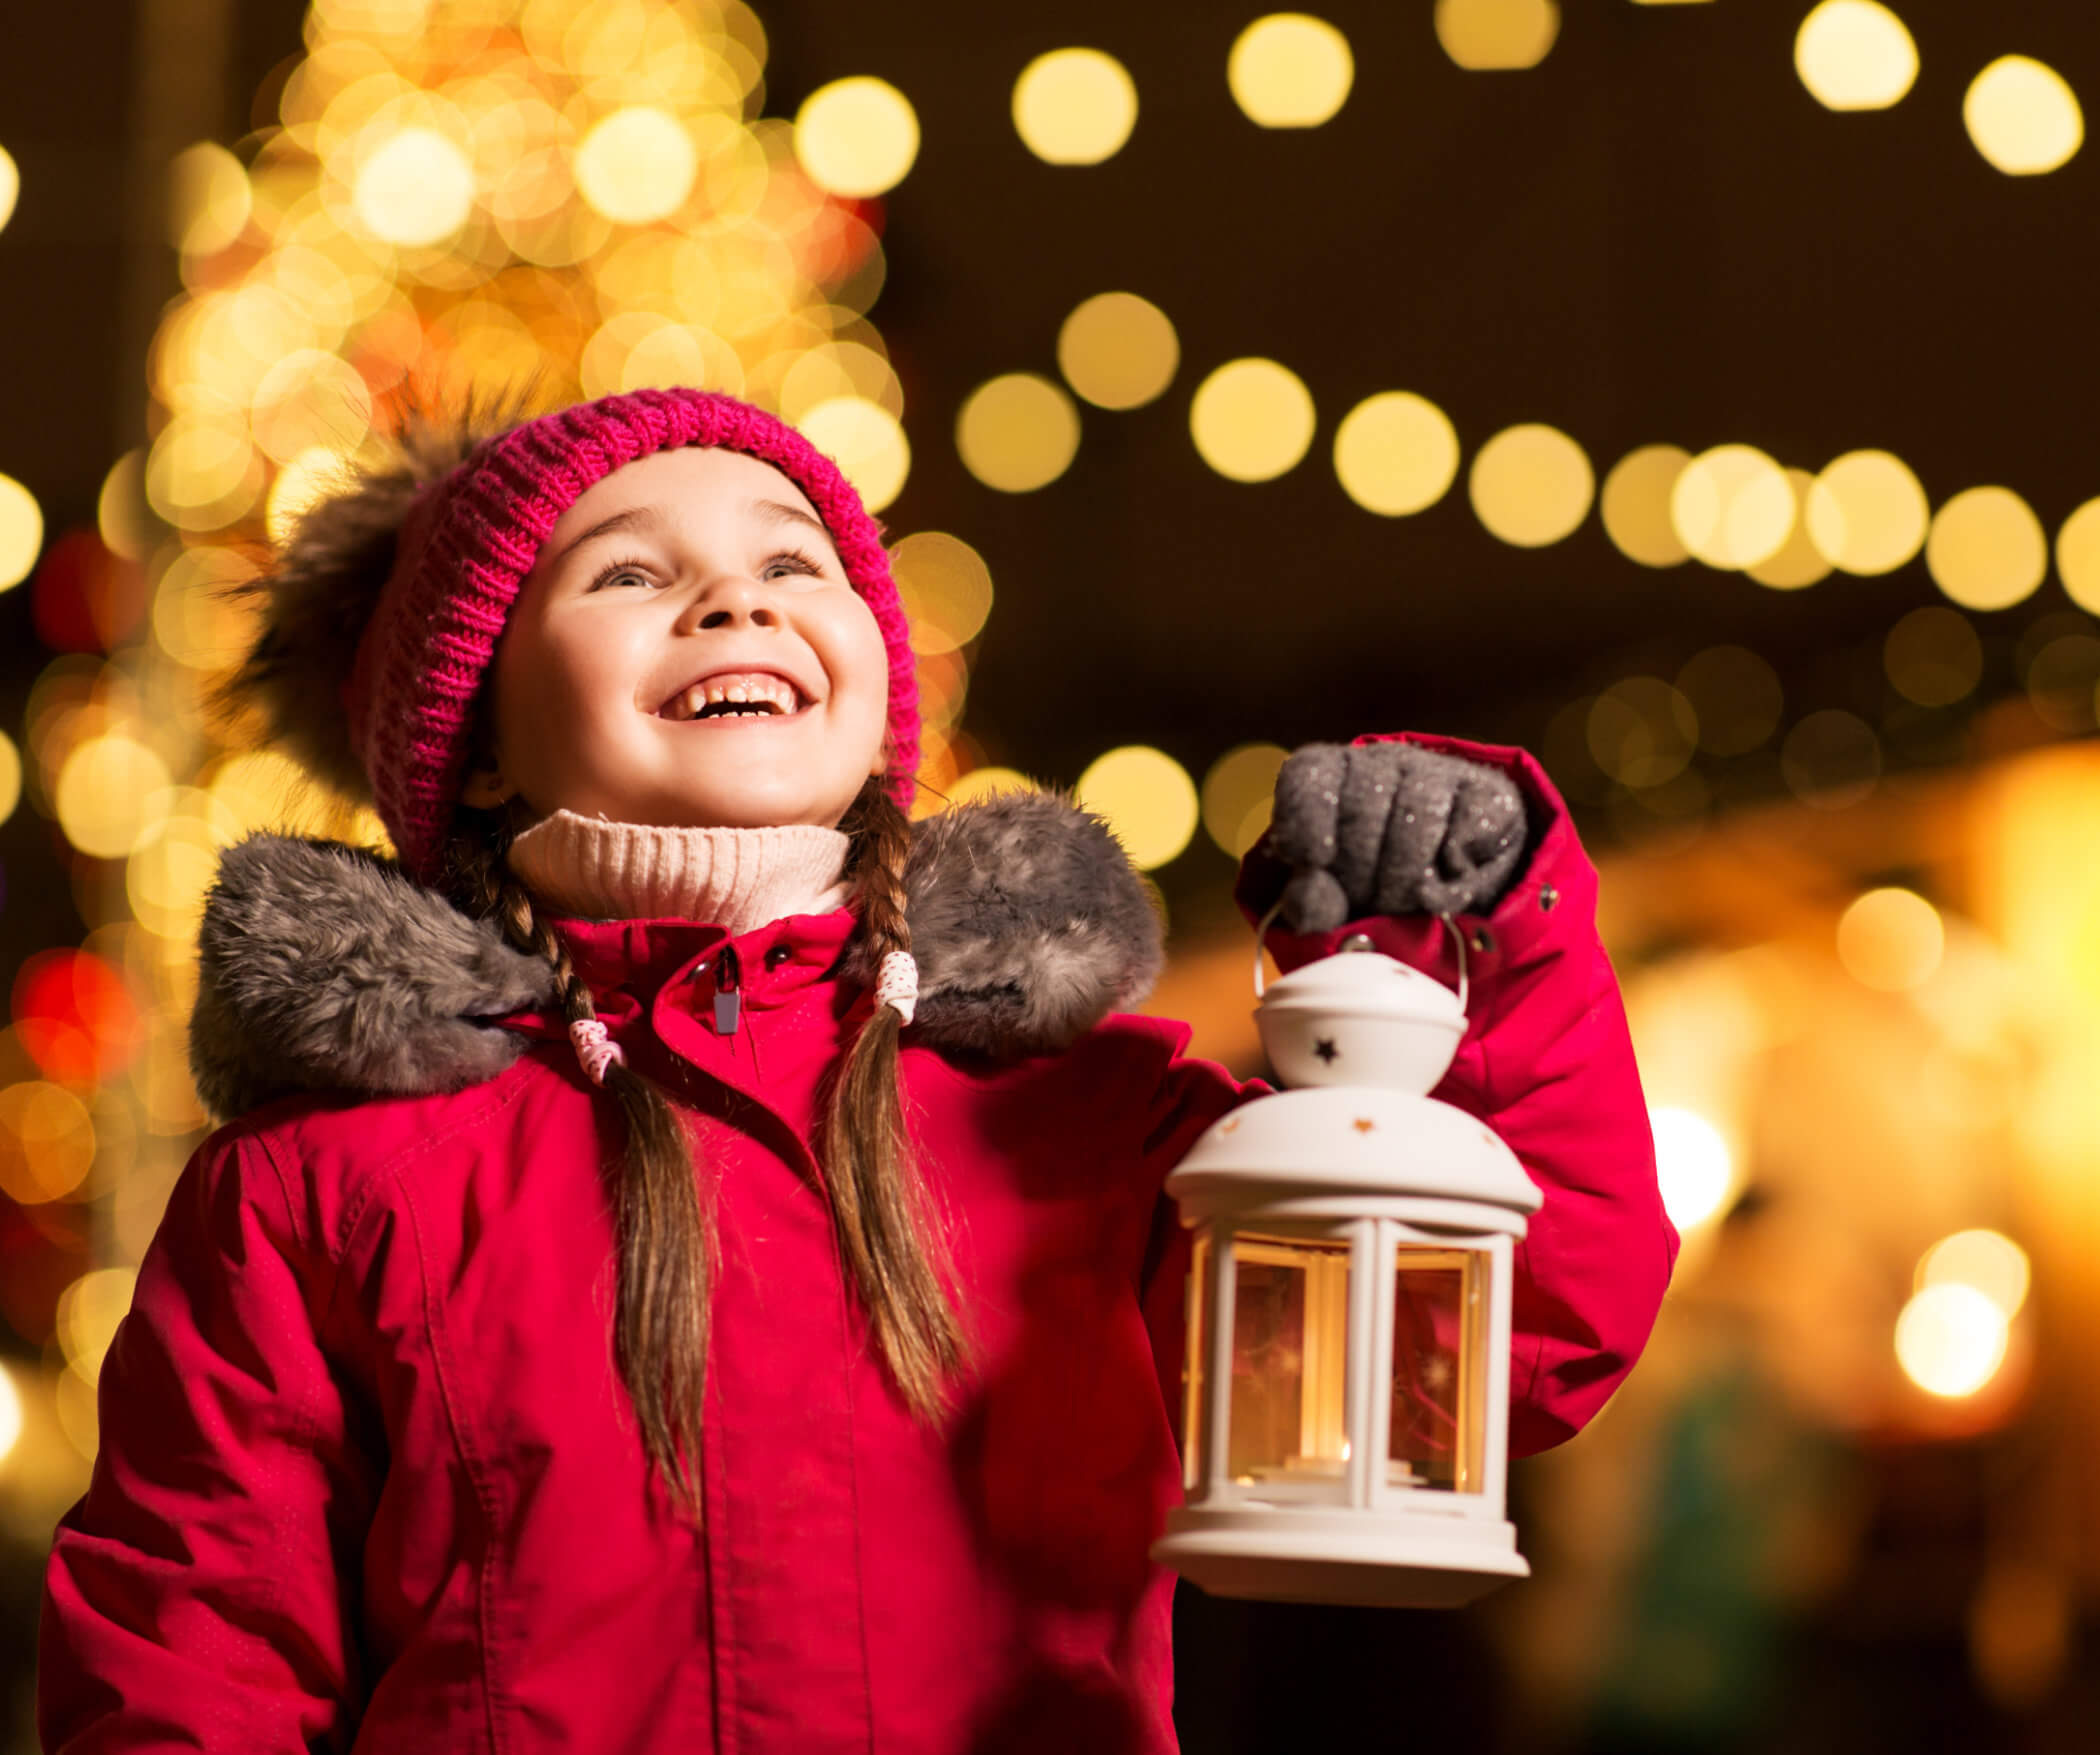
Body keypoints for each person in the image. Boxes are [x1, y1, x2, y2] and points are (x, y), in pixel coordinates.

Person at [37, 386, 1676, 1753]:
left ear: (879, 685)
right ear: (469, 741)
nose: (734, 601)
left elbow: (1499, 1348)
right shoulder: (326, 1188)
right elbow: (194, 1650)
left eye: (791, 561)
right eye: (624, 575)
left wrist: (1478, 931)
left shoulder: (1086, 1126)